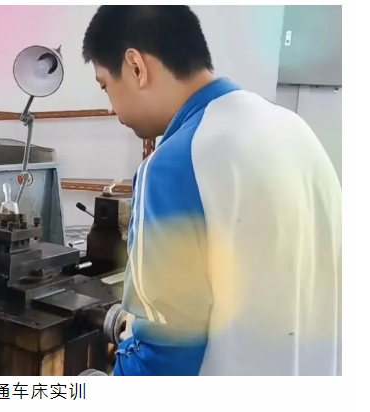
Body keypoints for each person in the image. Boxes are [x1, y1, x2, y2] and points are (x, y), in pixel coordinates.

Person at [82, 5, 342, 376]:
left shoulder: (175, 164)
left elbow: (164, 356)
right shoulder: (296, 130)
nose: (110, 107)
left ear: (136, 67)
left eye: (105, 85)